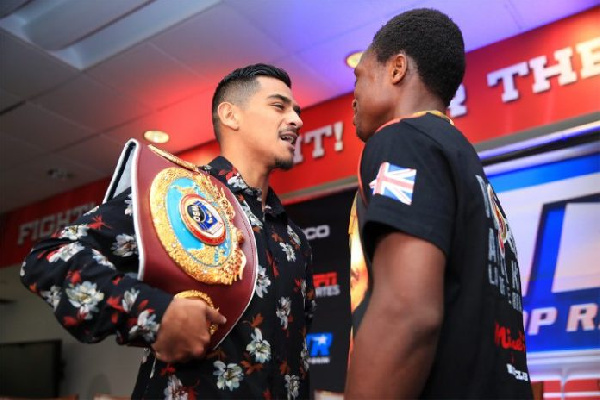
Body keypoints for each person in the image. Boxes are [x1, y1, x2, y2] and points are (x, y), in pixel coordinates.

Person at [21, 63, 316, 399]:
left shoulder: (295, 240)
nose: (297, 120)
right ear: (231, 116)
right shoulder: (175, 194)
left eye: (297, 110)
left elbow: (300, 353)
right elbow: (48, 259)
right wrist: (157, 313)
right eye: (279, 106)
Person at [345, 9, 532, 399]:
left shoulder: (402, 140)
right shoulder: (464, 163)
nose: (354, 98)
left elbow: (407, 314)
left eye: (359, 78)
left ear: (397, 69)